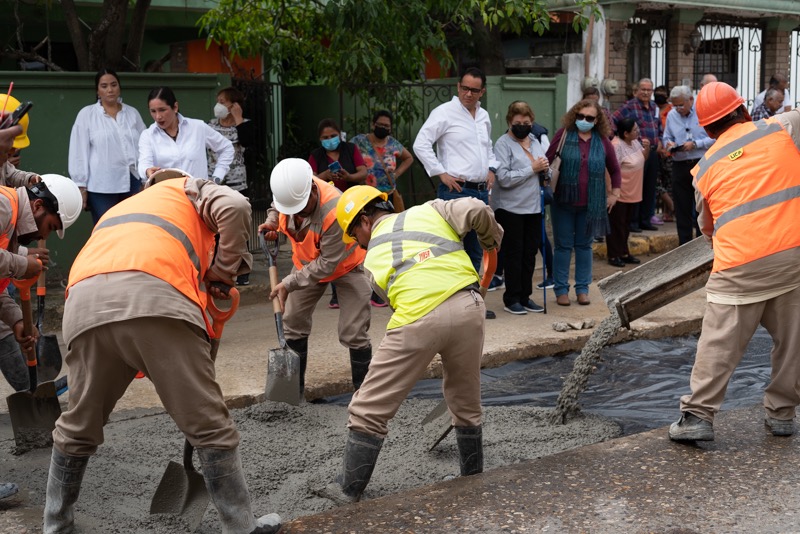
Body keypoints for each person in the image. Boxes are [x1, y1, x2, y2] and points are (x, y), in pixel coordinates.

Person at [45, 169, 281, 534]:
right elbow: (235, 205)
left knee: (78, 425)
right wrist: (221, 272)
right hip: (152, 294)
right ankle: (241, 528)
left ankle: (56, 526)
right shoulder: (190, 190)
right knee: (210, 427)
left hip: (83, 304)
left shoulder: (123, 211)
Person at [320, 184, 503, 504]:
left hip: (419, 318)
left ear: (365, 221)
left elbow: (395, 298)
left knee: (367, 409)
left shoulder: (371, 262)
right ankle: (472, 478)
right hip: (470, 308)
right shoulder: (431, 209)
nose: (357, 244)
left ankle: (347, 490)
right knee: (465, 401)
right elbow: (475, 208)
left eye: (354, 235)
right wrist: (490, 240)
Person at [668, 81, 800, 443]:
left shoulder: (704, 168)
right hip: (791, 256)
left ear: (707, 129)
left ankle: (698, 416)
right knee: (792, 340)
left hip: (738, 265)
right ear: (744, 110)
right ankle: (783, 414)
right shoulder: (783, 128)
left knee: (718, 341)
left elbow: (707, 229)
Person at [259, 158, 372, 394]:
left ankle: (365, 395)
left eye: (300, 207)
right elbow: (275, 207)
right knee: (292, 323)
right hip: (306, 263)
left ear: (312, 189)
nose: (295, 213)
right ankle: (292, 393)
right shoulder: (289, 191)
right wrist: (272, 222)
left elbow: (328, 263)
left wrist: (288, 283)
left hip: (346, 265)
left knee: (354, 330)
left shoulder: (334, 209)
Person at [413, 67, 500, 319]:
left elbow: (489, 148)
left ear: (482, 91)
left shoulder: (483, 116)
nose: (468, 94)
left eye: (474, 90)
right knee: (449, 249)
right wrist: (440, 172)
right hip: (455, 191)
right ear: (458, 86)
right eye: (464, 88)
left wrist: (491, 167)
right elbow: (421, 144)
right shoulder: (444, 112)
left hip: (481, 192)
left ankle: (470, 305)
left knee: (476, 250)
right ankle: (446, 305)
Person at [546, 99, 621, 306]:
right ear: (574, 116)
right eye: (580, 116)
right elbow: (548, 161)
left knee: (584, 246)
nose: (584, 121)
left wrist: (615, 193)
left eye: (589, 118)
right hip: (563, 201)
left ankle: (582, 289)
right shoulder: (563, 135)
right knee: (562, 246)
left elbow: (614, 169)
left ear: (597, 121)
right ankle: (561, 289)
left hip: (591, 204)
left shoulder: (603, 140)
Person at [351, 110, 414, 307]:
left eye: (387, 126)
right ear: (373, 124)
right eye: (380, 124)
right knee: (365, 240)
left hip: (386, 199)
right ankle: (366, 285)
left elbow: (409, 158)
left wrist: (396, 173)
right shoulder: (359, 142)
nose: (383, 128)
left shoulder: (393, 144)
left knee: (388, 240)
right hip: (365, 198)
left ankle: (382, 288)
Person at [69, 69, 147, 224]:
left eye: (113, 85)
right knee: (107, 228)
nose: (110, 90)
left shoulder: (132, 113)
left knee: (134, 227)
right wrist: (81, 186)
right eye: (104, 86)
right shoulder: (87, 115)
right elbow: (78, 152)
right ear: (98, 91)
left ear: (119, 87)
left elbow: (145, 144)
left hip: (133, 180)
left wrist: (146, 178)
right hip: (101, 185)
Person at [491, 101, 547, 315]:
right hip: (510, 207)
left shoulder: (534, 141)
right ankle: (512, 297)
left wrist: (545, 172)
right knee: (514, 253)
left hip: (533, 206)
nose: (522, 126)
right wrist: (531, 168)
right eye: (517, 122)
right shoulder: (502, 144)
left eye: (526, 122)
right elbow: (503, 179)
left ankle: (525, 296)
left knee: (530, 253)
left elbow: (542, 166)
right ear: (509, 122)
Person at [308, 118, 368, 308]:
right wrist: (324, 177)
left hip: (354, 204)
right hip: (330, 209)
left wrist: (348, 177)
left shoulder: (350, 149)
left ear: (339, 134)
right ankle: (336, 294)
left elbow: (363, 172)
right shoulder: (316, 155)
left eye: (333, 136)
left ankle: (366, 289)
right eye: (325, 137)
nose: (330, 140)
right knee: (334, 248)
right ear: (319, 139)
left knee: (357, 246)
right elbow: (309, 179)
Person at [208, 86, 256, 286]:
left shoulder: (245, 125)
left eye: (223, 101)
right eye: (218, 100)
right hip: (214, 182)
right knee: (216, 227)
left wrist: (238, 119)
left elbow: (248, 143)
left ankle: (241, 269)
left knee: (239, 227)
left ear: (234, 105)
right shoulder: (209, 126)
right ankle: (218, 267)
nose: (219, 105)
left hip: (238, 183)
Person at [138, 86, 234, 182]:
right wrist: (147, 171)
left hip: (198, 193)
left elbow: (226, 147)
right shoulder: (147, 135)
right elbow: (144, 162)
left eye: (162, 110)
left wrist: (217, 176)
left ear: (175, 107)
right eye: (153, 111)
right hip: (167, 194)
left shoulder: (198, 127)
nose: (158, 116)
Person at [662, 85, 715, 246]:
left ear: (690, 100)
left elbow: (714, 138)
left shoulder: (703, 112)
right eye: (674, 105)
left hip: (700, 163)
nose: (677, 109)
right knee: (682, 207)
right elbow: (666, 137)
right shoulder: (671, 115)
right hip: (680, 164)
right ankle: (684, 245)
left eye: (680, 105)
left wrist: (696, 144)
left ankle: (702, 245)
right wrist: (669, 144)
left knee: (702, 207)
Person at [613, 78, 662, 232]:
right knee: (636, 187)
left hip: (653, 151)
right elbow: (614, 120)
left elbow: (658, 125)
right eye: (643, 89)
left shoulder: (654, 107)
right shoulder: (629, 106)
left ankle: (645, 219)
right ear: (637, 91)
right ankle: (633, 222)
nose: (646, 92)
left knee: (650, 186)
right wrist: (623, 139)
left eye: (649, 90)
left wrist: (660, 139)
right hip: (636, 152)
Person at [607, 118, 646, 267]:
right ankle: (613, 255)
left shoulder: (635, 142)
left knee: (626, 224)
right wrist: (612, 192)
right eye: (635, 130)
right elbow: (610, 169)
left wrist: (647, 149)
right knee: (617, 224)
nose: (638, 132)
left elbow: (641, 160)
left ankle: (624, 252)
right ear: (625, 133)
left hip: (634, 191)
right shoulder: (616, 146)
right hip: (619, 191)